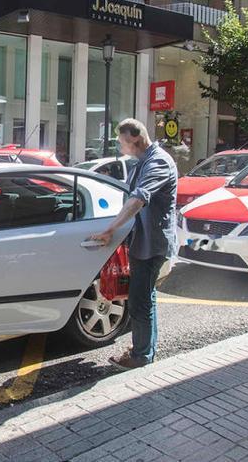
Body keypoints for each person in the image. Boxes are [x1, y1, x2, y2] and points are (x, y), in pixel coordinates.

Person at [89, 118, 178, 370]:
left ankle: (141, 355)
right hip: (145, 242)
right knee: (146, 298)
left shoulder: (158, 162)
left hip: (152, 245)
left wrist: (109, 230)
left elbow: (137, 200)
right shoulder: (144, 161)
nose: (119, 146)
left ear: (135, 140)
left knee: (140, 300)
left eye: (121, 141)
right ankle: (145, 349)